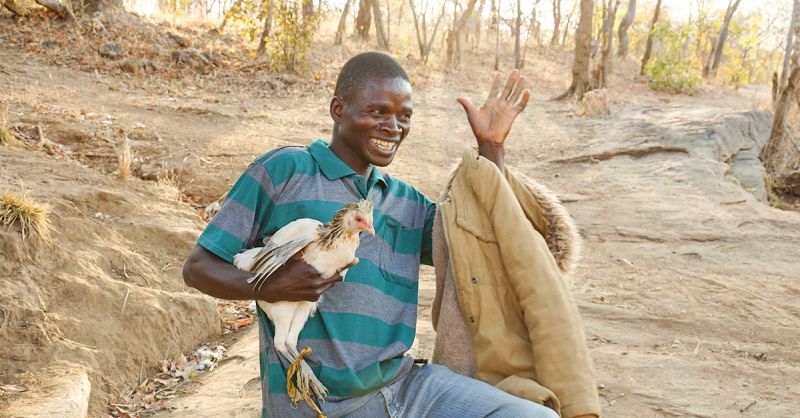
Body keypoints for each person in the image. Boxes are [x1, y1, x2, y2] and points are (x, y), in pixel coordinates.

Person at [182, 51, 562, 417]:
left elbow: (479, 240)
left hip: (407, 389)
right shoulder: (285, 171)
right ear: (338, 110)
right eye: (378, 111)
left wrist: (491, 148)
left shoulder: (409, 202)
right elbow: (198, 268)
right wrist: (268, 285)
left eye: (404, 116)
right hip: (319, 404)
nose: (394, 127)